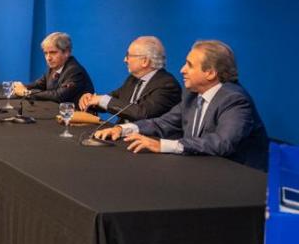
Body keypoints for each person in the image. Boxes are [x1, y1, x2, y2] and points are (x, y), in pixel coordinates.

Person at [94, 40, 269, 170]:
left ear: (210, 73)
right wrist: (123, 130)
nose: (182, 70)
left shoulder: (234, 100)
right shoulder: (191, 96)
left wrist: (164, 145)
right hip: (199, 169)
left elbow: (221, 143)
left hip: (238, 180)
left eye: (190, 65)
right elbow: (163, 123)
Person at [78, 36, 182, 122]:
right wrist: (91, 100)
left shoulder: (167, 85)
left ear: (145, 61)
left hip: (147, 141)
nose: (125, 60)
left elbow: (142, 114)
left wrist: (101, 100)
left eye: (128, 56)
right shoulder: (133, 79)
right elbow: (114, 99)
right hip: (122, 135)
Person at [12, 32, 94, 103]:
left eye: (53, 52)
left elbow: (58, 96)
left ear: (67, 52)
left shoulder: (74, 71)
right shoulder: (53, 67)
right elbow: (39, 85)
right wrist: (21, 87)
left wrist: (26, 93)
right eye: (45, 53)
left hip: (78, 117)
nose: (48, 58)